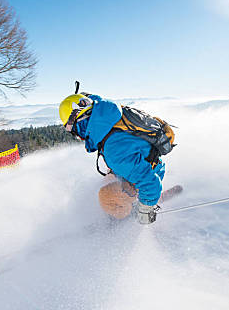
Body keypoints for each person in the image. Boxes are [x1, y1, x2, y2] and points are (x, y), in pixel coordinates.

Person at [59, 93, 167, 224]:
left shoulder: (114, 150)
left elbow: (150, 183)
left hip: (150, 174)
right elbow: (96, 100)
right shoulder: (105, 114)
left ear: (79, 123)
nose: (78, 136)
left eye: (73, 131)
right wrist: (82, 97)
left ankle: (125, 216)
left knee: (105, 196)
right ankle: (133, 196)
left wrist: (145, 209)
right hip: (145, 161)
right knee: (108, 176)